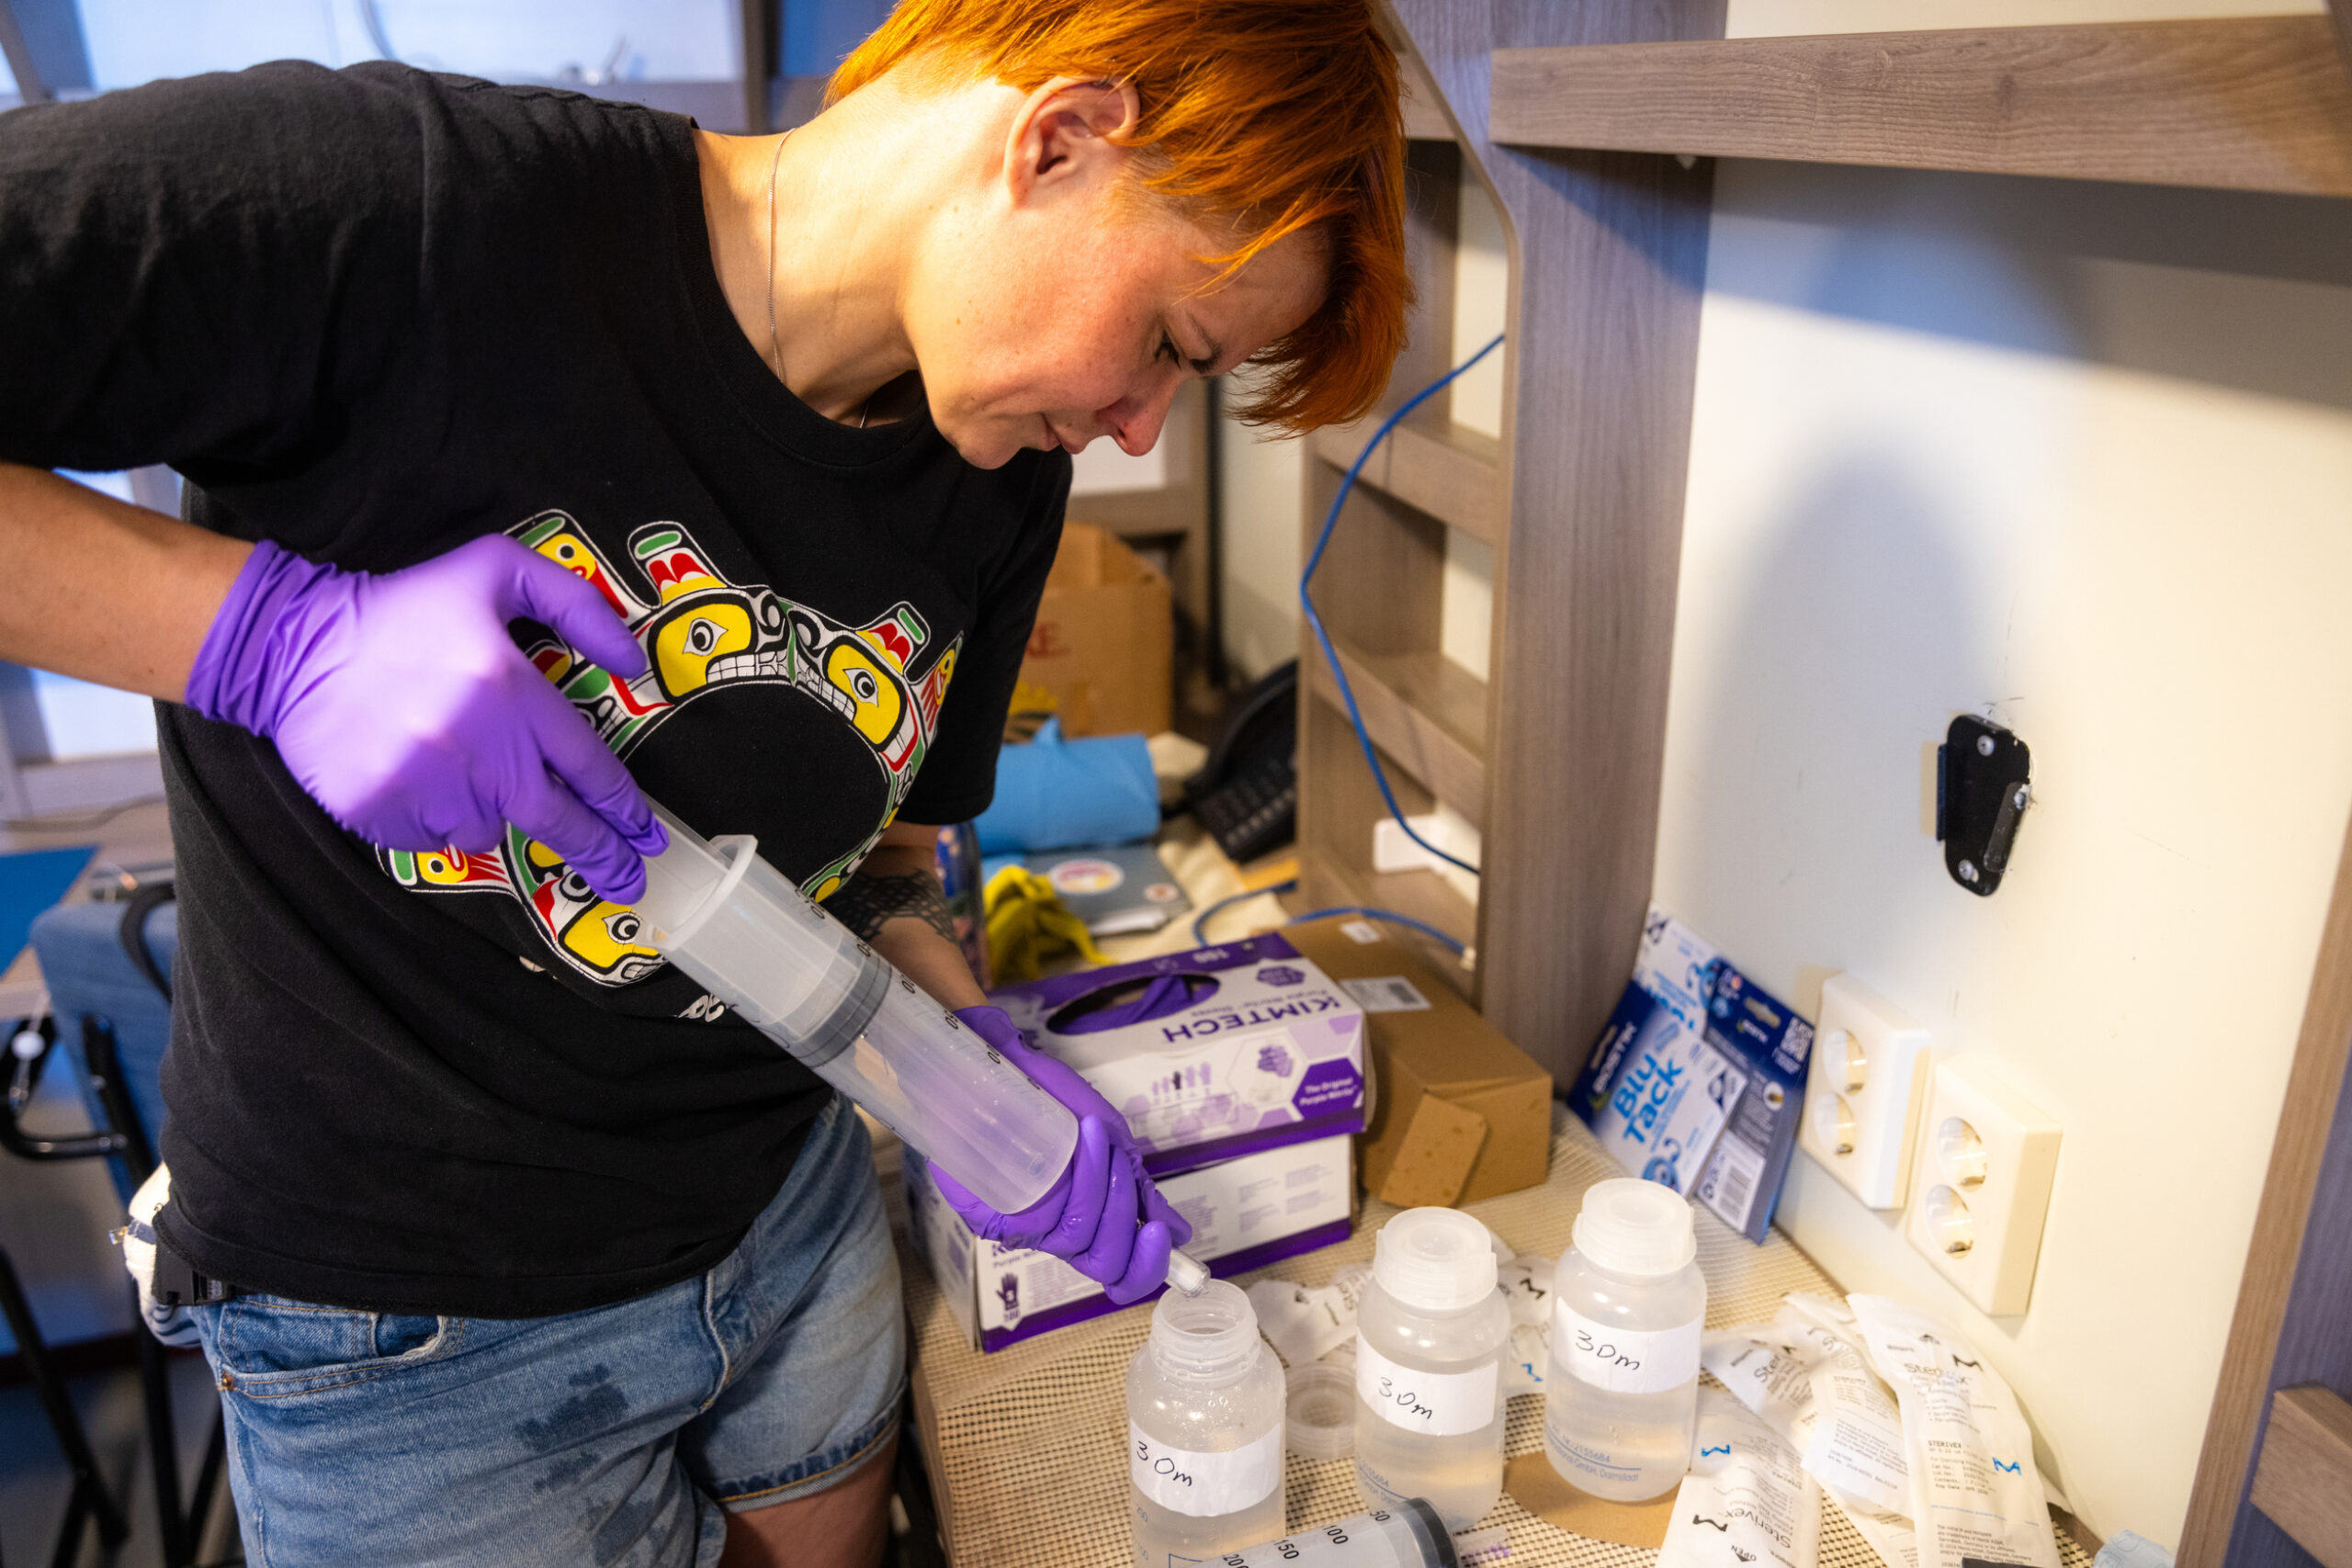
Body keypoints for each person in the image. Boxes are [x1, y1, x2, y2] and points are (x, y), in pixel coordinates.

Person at [0, 0, 1407, 1562]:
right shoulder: (414, 212)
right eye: (1166, 344)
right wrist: (257, 637)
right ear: (1060, 138)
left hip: (790, 1234)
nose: (1143, 422)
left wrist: (958, 1064)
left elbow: (879, 861)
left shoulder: (1001, 474)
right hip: (420, 1337)